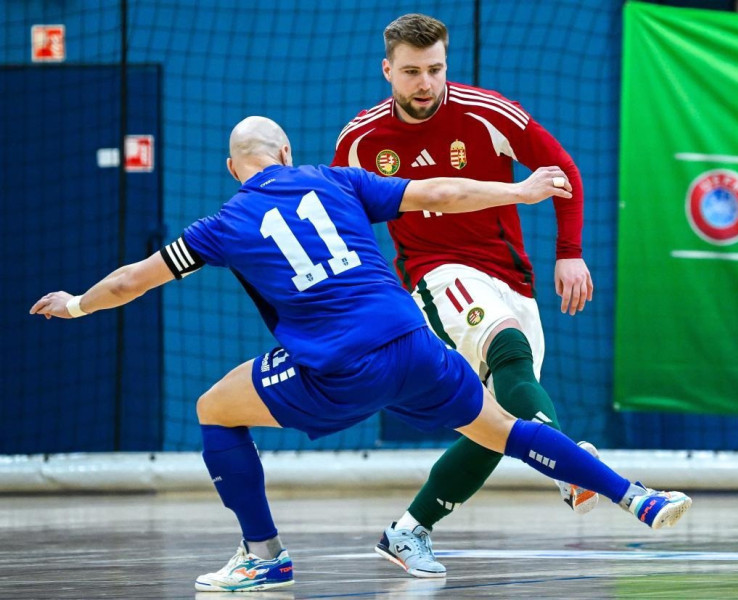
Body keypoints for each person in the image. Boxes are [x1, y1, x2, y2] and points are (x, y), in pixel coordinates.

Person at [31, 116, 691, 592]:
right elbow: (440, 193)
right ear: (286, 152)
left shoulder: (223, 224)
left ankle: (263, 556)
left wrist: (76, 303)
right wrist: (520, 193)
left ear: (236, 168)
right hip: (414, 346)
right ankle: (636, 495)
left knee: (214, 408)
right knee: (502, 431)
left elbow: (130, 281)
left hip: (338, 368)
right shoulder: (337, 180)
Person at [331, 13, 621, 577]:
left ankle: (408, 531)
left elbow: (560, 169)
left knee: (501, 417)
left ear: (446, 65)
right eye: (411, 72)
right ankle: (569, 466)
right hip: (434, 273)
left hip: (510, 276)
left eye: (434, 69)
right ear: (387, 70)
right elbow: (344, 220)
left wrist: (570, 250)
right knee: (506, 349)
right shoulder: (361, 140)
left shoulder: (487, 112)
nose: (425, 83)